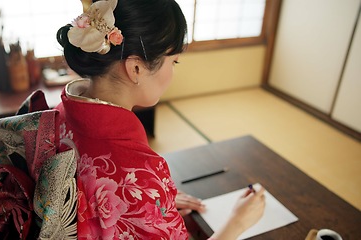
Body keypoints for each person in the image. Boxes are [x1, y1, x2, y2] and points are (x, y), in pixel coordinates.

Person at [55, 0, 266, 239]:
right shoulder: (139, 172)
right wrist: (237, 222)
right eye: (173, 61)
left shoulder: (62, 110)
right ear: (136, 68)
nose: (174, 71)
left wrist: (154, 204)